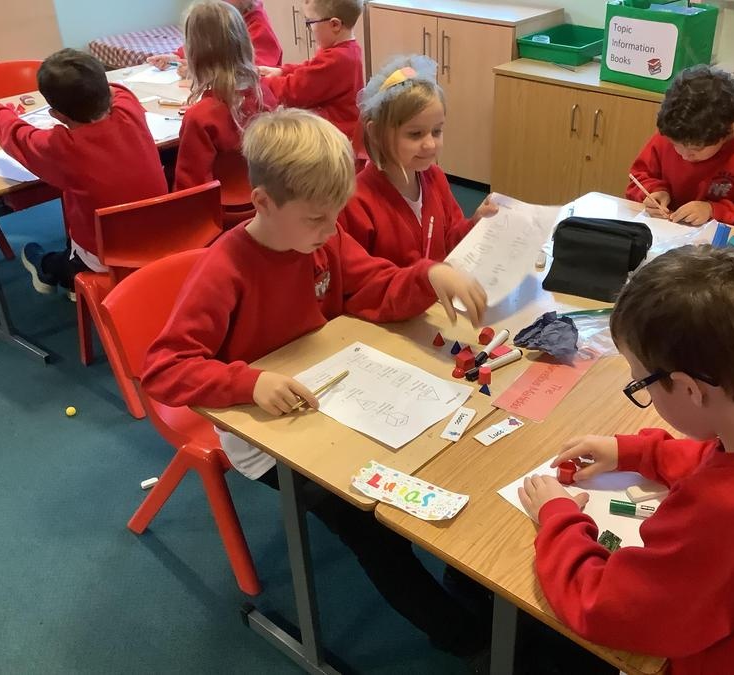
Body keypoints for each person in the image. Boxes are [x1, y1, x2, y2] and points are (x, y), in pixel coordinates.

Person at [142, 108, 489, 659]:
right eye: (316, 220)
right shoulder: (225, 268)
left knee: (442, 456)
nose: (331, 231)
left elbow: (374, 285)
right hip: (261, 431)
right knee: (367, 522)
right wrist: (249, 383)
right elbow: (163, 368)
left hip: (334, 392)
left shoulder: (321, 238)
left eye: (335, 216)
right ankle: (467, 641)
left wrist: (428, 275)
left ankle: (476, 585)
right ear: (262, 203)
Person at [519, 245, 734, 674]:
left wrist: (558, 519)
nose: (642, 391)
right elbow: (722, 460)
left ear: (688, 389)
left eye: (640, 383)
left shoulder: (725, 513)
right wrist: (637, 451)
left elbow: (607, 608)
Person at [0, 49, 166, 298]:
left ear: (57, 115)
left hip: (107, 255)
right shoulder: (130, 110)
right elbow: (119, 90)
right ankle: (68, 268)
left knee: (57, 262)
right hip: (165, 236)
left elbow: (15, 135)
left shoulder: (62, 149)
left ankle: (58, 272)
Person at [340, 55, 497, 266]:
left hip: (439, 288)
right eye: (415, 134)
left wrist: (475, 223)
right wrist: (424, 277)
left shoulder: (435, 179)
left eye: (436, 131)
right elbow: (360, 278)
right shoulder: (358, 202)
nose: (430, 144)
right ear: (376, 133)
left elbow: (450, 240)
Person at [626, 65, 734, 229]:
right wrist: (654, 191)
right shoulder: (675, 131)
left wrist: (713, 211)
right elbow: (638, 178)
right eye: (675, 145)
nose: (684, 155)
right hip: (664, 231)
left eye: (696, 149)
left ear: (727, 130)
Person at [173, 0, 278, 190]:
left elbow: (191, 190)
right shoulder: (266, 95)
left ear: (194, 54)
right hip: (266, 200)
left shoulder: (199, 118)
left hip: (219, 206)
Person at [259, 0, 364, 154]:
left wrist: (262, 83)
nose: (308, 29)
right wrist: (281, 71)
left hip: (333, 142)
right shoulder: (345, 49)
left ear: (335, 25)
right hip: (334, 132)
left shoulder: (336, 59)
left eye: (310, 22)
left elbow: (292, 92)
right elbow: (310, 68)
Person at [149, 0, 283, 76]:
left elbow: (251, 73)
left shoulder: (259, 27)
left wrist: (200, 72)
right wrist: (175, 57)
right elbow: (201, 42)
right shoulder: (219, 16)